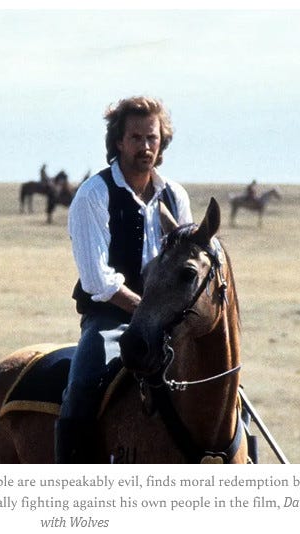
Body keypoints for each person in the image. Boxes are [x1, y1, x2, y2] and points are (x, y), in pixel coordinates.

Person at [58, 96, 193, 463]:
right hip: (111, 319)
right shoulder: (94, 194)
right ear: (119, 141)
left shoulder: (175, 196)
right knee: (83, 388)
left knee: (225, 389)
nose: (145, 146)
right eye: (136, 138)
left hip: (168, 320)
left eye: (152, 138)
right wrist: (146, 311)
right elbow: (96, 280)